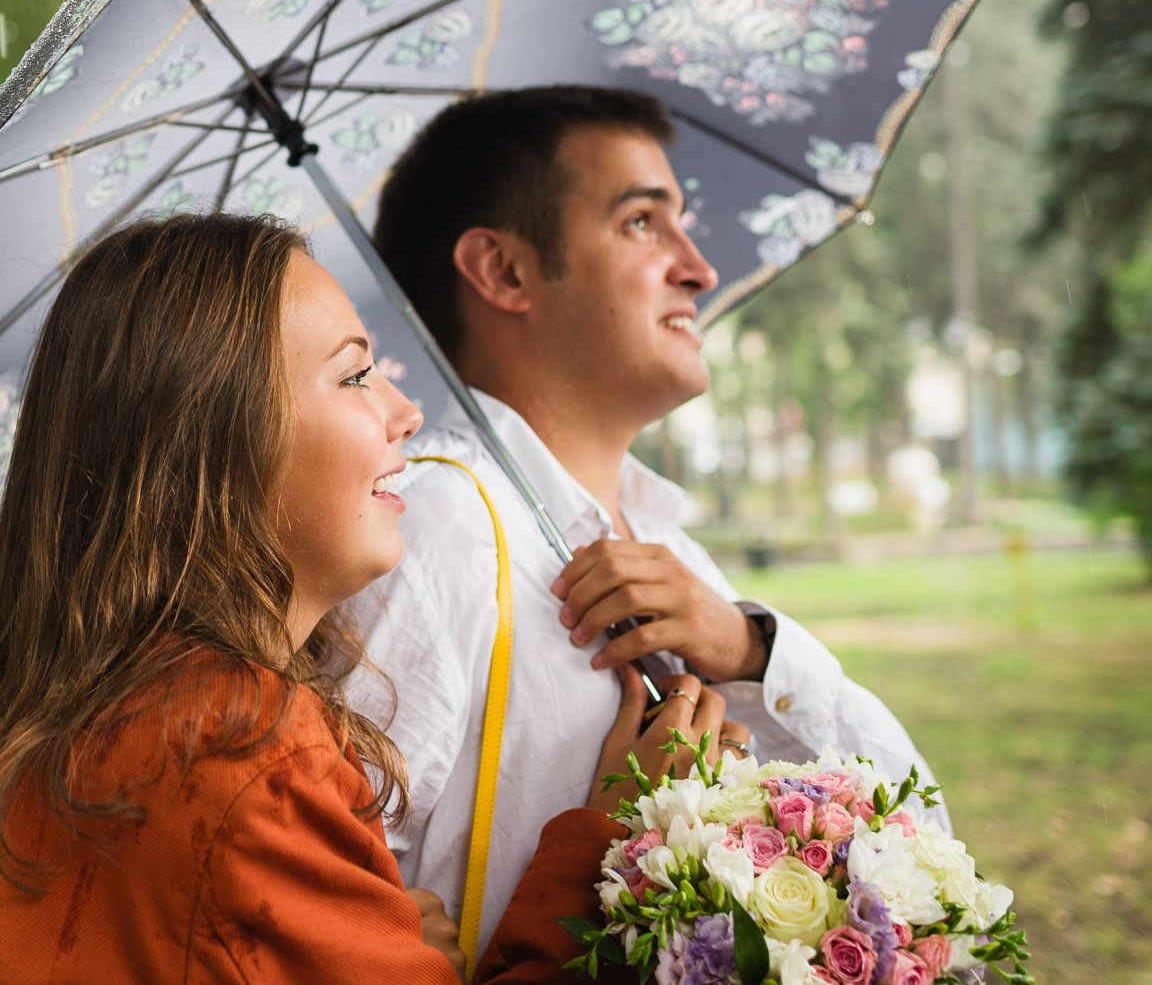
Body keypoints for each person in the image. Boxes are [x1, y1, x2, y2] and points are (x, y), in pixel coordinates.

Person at [0, 213, 737, 984]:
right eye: (355, 375)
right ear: (217, 437)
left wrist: (365, 934)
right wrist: (610, 840)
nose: (406, 412)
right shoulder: (240, 748)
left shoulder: (64, 728)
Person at [345, 85, 943, 967]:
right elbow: (338, 908)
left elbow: (918, 828)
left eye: (681, 223)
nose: (698, 268)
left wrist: (749, 648)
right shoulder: (429, 528)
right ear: (503, 271)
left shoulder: (676, 554)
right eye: (640, 222)